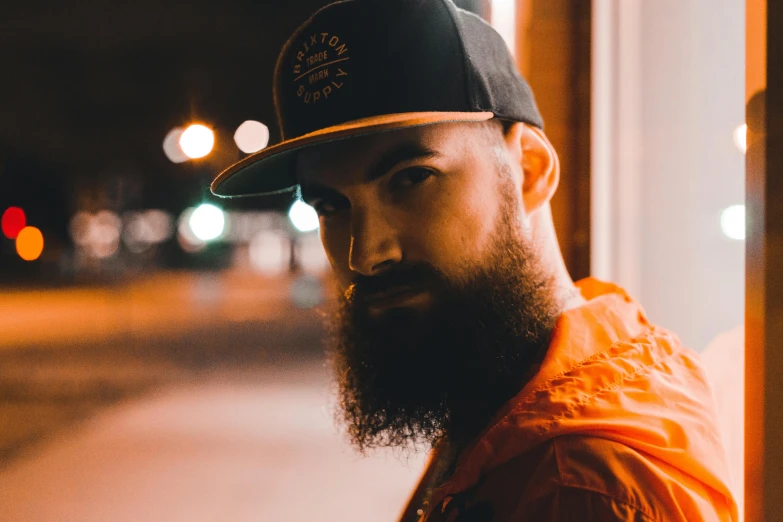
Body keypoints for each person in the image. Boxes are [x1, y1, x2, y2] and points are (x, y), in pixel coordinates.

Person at [211, 0, 738, 520]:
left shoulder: (584, 488)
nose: (366, 253)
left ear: (529, 169)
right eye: (331, 205)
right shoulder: (512, 389)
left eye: (412, 178)